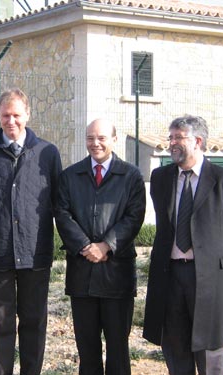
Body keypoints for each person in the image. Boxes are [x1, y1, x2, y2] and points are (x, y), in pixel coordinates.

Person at [0, 88, 62, 375]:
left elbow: (59, 203)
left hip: (36, 254)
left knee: (34, 323)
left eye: (17, 115)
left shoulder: (47, 152)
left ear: (28, 115)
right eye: (6, 115)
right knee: (0, 326)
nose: (11, 121)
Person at [143, 115, 223, 375]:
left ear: (198, 141)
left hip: (209, 277)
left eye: (179, 138)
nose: (172, 143)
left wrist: (206, 253)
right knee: (175, 348)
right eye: (171, 137)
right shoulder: (160, 178)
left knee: (211, 353)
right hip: (169, 276)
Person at [55, 118, 146, 375]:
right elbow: (62, 213)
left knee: (118, 348)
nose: (95, 143)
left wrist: (106, 246)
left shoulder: (131, 176)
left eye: (102, 138)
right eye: (90, 138)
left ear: (114, 140)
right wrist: (86, 246)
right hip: (82, 275)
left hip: (117, 275)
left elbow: (134, 216)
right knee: (87, 349)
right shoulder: (70, 176)